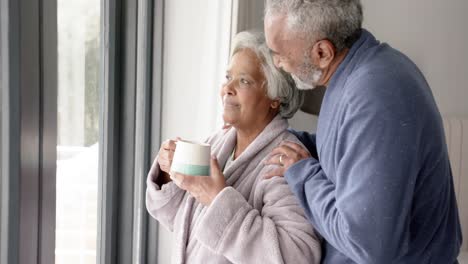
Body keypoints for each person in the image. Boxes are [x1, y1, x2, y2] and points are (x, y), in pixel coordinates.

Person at [262, 0, 463, 263]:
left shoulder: (376, 95)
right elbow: (349, 154)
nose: (277, 63)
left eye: (279, 52)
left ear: (322, 52)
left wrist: (303, 174)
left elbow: (368, 244)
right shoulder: (362, 70)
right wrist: (281, 137)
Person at [145, 30, 321, 264]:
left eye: (244, 80)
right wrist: (169, 173)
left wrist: (216, 197)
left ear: (274, 97)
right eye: (228, 77)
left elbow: (297, 256)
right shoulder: (217, 142)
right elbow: (183, 225)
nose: (228, 87)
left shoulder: (283, 160)